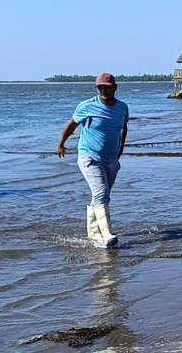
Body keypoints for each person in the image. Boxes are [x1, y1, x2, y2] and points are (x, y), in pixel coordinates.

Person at [57, 73, 129, 248]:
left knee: (101, 196)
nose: (103, 90)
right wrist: (61, 143)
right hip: (89, 156)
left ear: (115, 88)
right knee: (101, 193)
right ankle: (106, 235)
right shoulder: (87, 106)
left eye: (107, 87)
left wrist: (120, 150)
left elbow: (124, 127)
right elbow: (71, 124)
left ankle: (93, 232)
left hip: (111, 159)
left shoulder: (123, 108)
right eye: (100, 87)